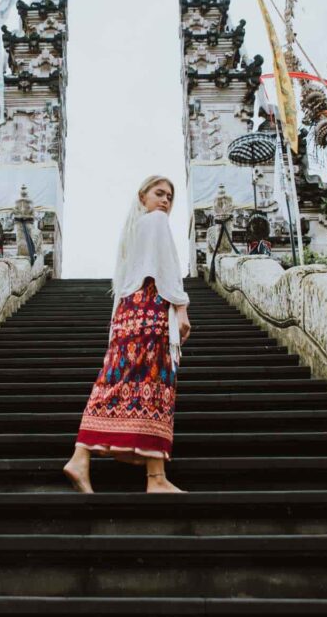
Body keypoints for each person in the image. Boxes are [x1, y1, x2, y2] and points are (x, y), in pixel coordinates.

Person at [62, 175, 192, 494]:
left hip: (127, 315)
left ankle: (86, 457)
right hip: (149, 309)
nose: (165, 201)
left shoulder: (133, 231)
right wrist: (182, 308)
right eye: (158, 193)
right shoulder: (157, 222)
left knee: (122, 382)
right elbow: (167, 270)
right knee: (153, 385)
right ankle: (154, 478)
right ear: (142, 196)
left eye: (170, 197)